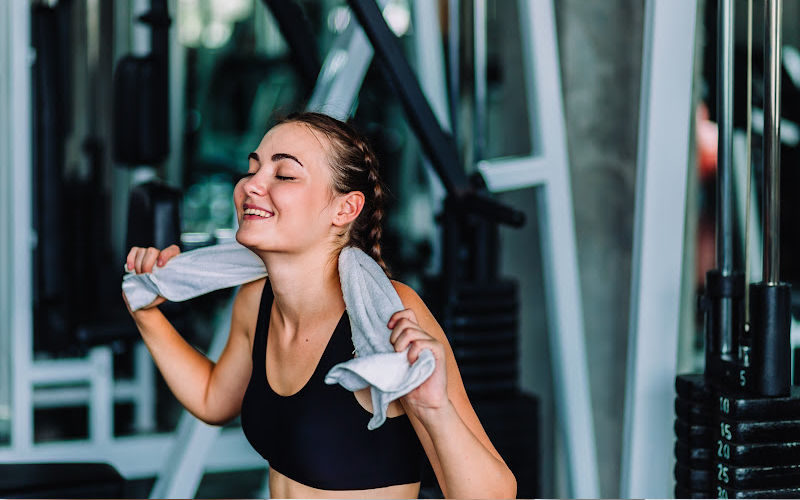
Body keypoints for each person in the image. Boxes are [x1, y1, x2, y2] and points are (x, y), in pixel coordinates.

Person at [123, 112, 516, 499]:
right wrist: (144, 309)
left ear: (345, 210)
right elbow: (214, 399)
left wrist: (435, 409)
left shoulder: (389, 316)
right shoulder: (257, 299)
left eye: (284, 175)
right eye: (253, 169)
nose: (250, 186)